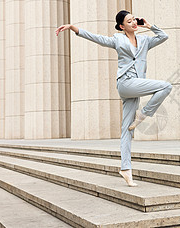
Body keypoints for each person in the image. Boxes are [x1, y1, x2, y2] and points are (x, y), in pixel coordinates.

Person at [55, 10, 172, 187]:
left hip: (136, 85)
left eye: (134, 20)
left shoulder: (145, 40)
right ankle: (144, 114)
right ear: (121, 26)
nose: (133, 23)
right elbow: (97, 38)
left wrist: (149, 26)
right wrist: (73, 28)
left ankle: (125, 169)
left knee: (127, 130)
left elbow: (164, 36)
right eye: (129, 21)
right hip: (126, 83)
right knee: (165, 85)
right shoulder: (118, 40)